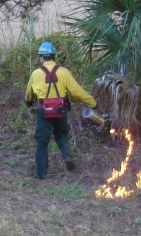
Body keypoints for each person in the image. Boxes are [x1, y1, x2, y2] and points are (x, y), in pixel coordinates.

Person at [24, 41, 97, 179]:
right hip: (61, 110)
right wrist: (92, 103)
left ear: (42, 57)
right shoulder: (63, 72)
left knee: (41, 141)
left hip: (44, 111)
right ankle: (67, 157)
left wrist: (28, 102)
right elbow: (76, 91)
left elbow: (29, 94)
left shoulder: (36, 74)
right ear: (53, 56)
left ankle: (41, 173)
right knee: (61, 135)